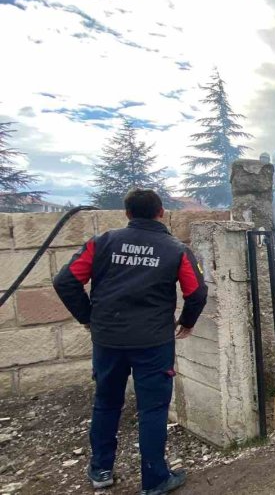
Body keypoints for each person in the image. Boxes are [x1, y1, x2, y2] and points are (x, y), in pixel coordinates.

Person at [53, 189, 208, 495]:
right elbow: (197, 292)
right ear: (161, 212)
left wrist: (88, 317)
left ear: (127, 214)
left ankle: (100, 471)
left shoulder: (102, 242)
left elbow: (65, 280)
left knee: (107, 402)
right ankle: (155, 480)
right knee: (152, 409)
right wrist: (187, 323)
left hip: (108, 340)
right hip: (153, 343)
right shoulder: (176, 249)